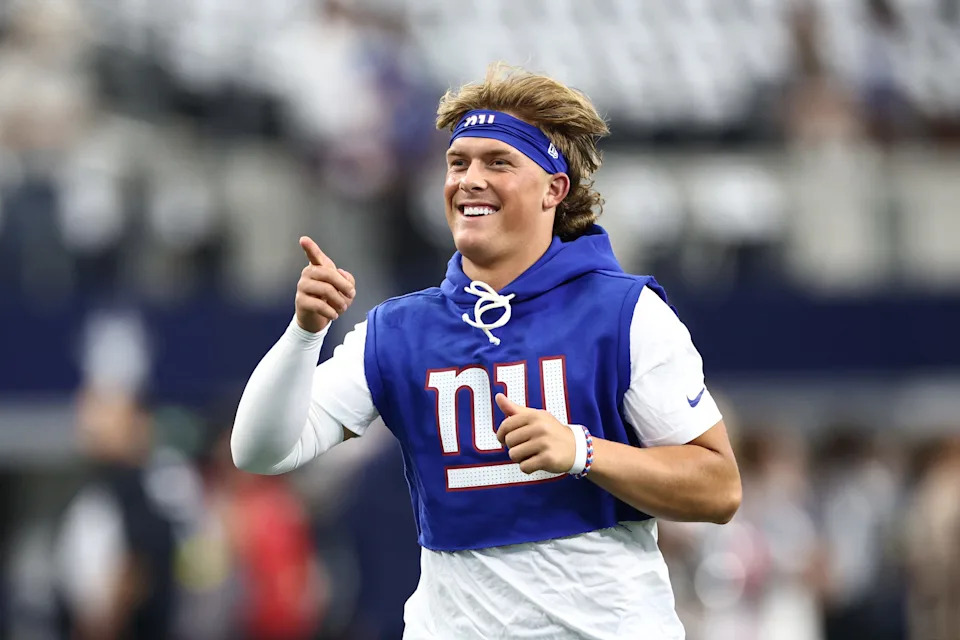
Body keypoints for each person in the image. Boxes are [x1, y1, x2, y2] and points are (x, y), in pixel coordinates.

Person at [231, 63, 741, 639]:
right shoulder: (400, 329)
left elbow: (718, 487)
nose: (469, 179)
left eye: (498, 162)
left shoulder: (624, 313)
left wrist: (583, 451)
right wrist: (303, 333)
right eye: (458, 162)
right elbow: (260, 451)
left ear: (555, 188)